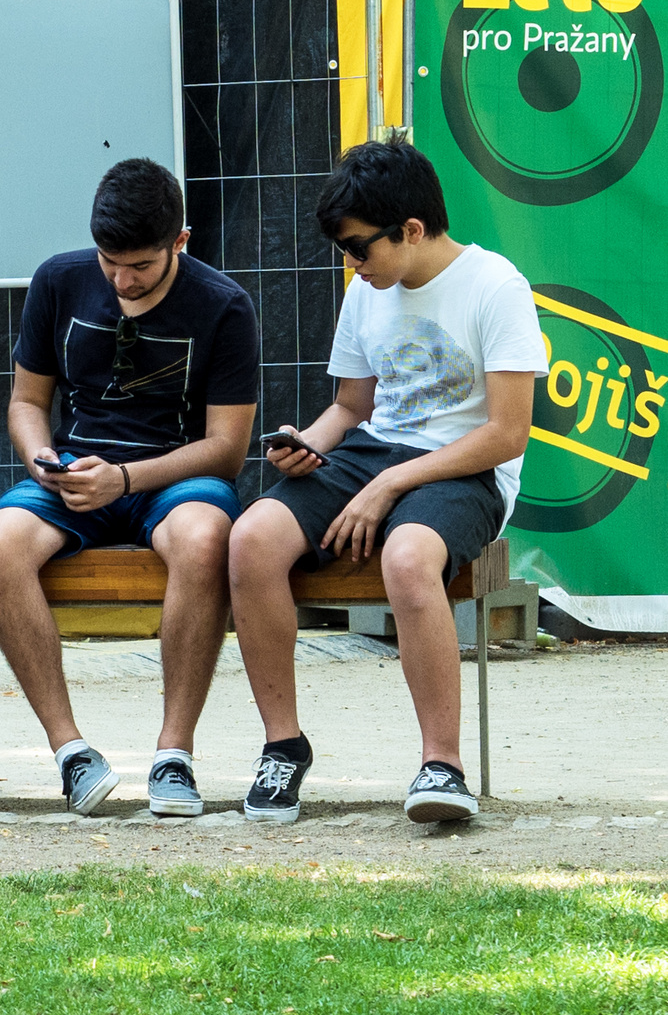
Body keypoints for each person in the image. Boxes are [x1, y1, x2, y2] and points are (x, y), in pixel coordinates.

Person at [229, 138, 546, 824]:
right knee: (250, 536)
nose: (352, 264)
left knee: (407, 558)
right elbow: (352, 407)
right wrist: (306, 444)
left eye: (358, 247)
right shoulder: (366, 291)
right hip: (371, 454)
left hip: (465, 466)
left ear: (410, 229)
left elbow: (506, 433)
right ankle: (283, 746)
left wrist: (389, 486)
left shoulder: (497, 286)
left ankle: (443, 766)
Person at [0, 158, 259, 817]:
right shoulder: (59, 279)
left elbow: (227, 451)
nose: (122, 280)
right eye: (111, 263)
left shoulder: (224, 306)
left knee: (204, 538)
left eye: (140, 266)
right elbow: (25, 401)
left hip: (174, 478)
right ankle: (71, 752)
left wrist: (126, 479)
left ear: (179, 243)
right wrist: (41, 455)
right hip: (78, 474)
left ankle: (173, 755)